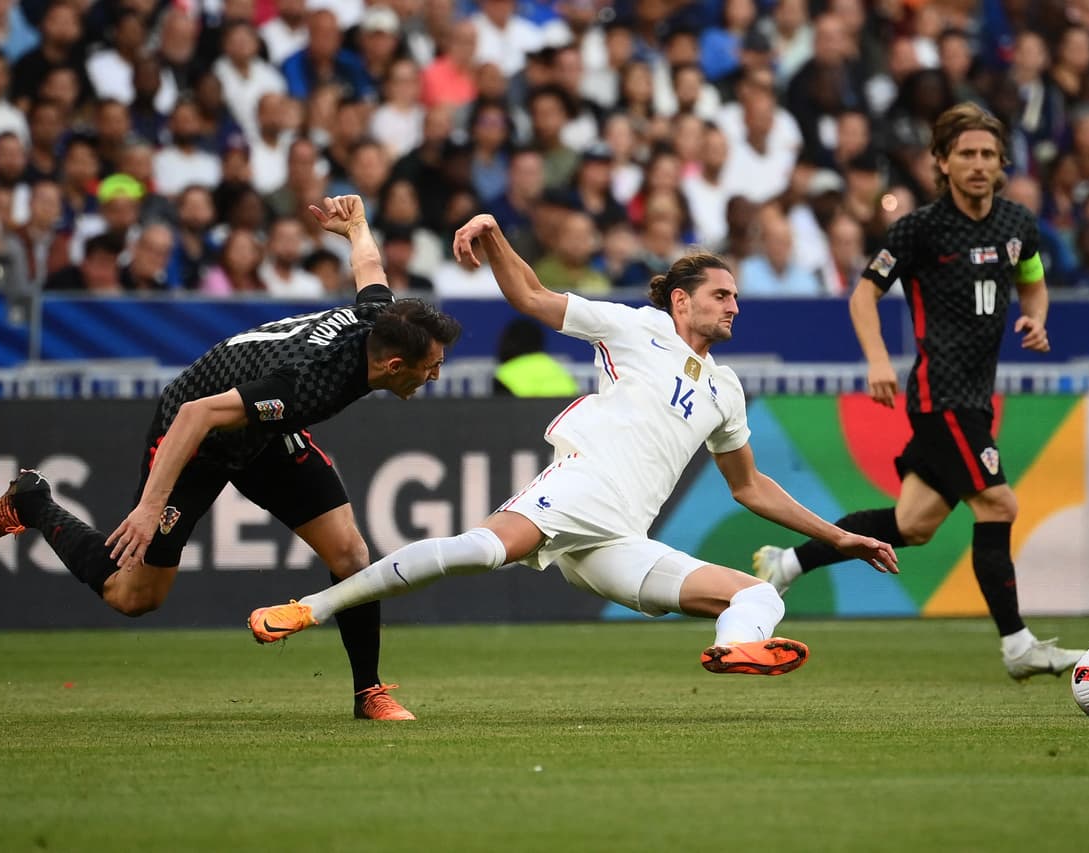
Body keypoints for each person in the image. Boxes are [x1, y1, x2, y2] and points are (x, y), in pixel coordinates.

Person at [248, 215, 897, 678]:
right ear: (680, 300)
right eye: (721, 295)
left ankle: (736, 649)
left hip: (617, 539)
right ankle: (311, 607)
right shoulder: (637, 328)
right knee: (479, 550)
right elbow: (531, 296)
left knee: (759, 598)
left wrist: (838, 538)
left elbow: (749, 486)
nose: (734, 307)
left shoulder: (726, 390)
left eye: (735, 296)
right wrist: (495, 233)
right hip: (582, 485)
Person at [0, 196, 462, 721]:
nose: (434, 376)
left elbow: (370, 268)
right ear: (394, 364)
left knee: (351, 555)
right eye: (430, 367)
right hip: (198, 434)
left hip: (265, 433)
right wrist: (151, 506)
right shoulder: (305, 383)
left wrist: (358, 226)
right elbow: (196, 415)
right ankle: (33, 502)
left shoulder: (378, 319)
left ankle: (369, 693)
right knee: (133, 596)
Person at [751, 103, 1085, 681]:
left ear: (1002, 162)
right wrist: (879, 360)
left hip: (976, 396)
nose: (978, 165)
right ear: (941, 162)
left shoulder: (1017, 225)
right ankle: (1018, 645)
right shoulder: (920, 229)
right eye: (966, 154)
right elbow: (863, 296)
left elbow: (1033, 282)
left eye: (987, 155)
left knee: (912, 525)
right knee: (999, 503)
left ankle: (788, 562)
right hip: (940, 394)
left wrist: (1037, 318)